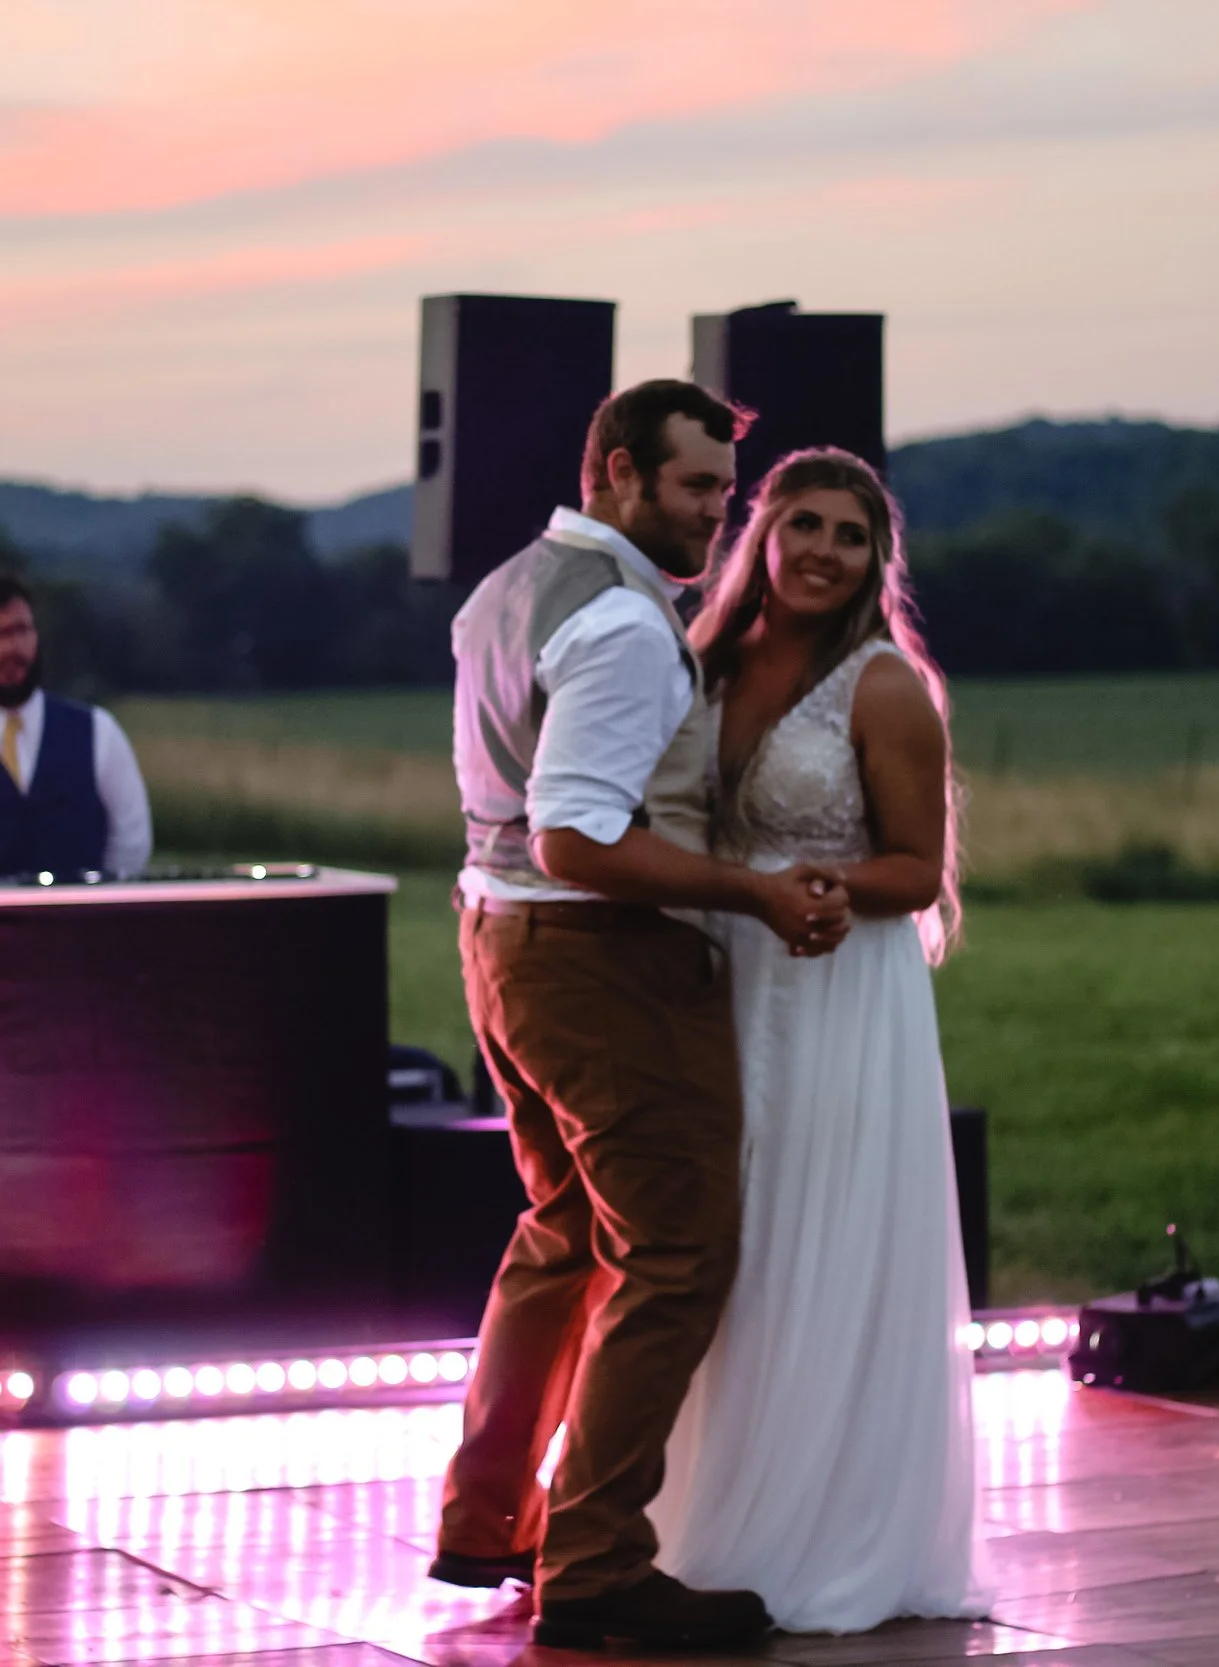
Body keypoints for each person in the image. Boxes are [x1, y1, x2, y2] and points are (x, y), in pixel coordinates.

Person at [433, 380, 852, 1652]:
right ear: (618, 471)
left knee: (562, 1231)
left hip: (495, 941)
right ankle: (601, 1560)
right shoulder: (618, 621)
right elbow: (574, 835)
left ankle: (490, 1517)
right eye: (694, 489)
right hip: (595, 959)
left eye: (728, 491)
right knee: (672, 1254)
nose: (719, 517)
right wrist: (752, 891)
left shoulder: (503, 586)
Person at [647, 447, 992, 1631]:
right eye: (802, 525)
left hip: (836, 983)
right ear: (763, 533)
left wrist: (815, 882)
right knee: (712, 1241)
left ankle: (815, 1524)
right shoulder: (708, 658)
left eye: (849, 535)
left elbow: (914, 866)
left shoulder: (884, 685)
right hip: (721, 975)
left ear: (873, 559)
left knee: (814, 1237)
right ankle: (674, 1508)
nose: (822, 552)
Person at [0, 571, 153, 882]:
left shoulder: (99, 732)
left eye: (20, 630)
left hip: (78, 925)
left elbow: (131, 845)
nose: (10, 647)